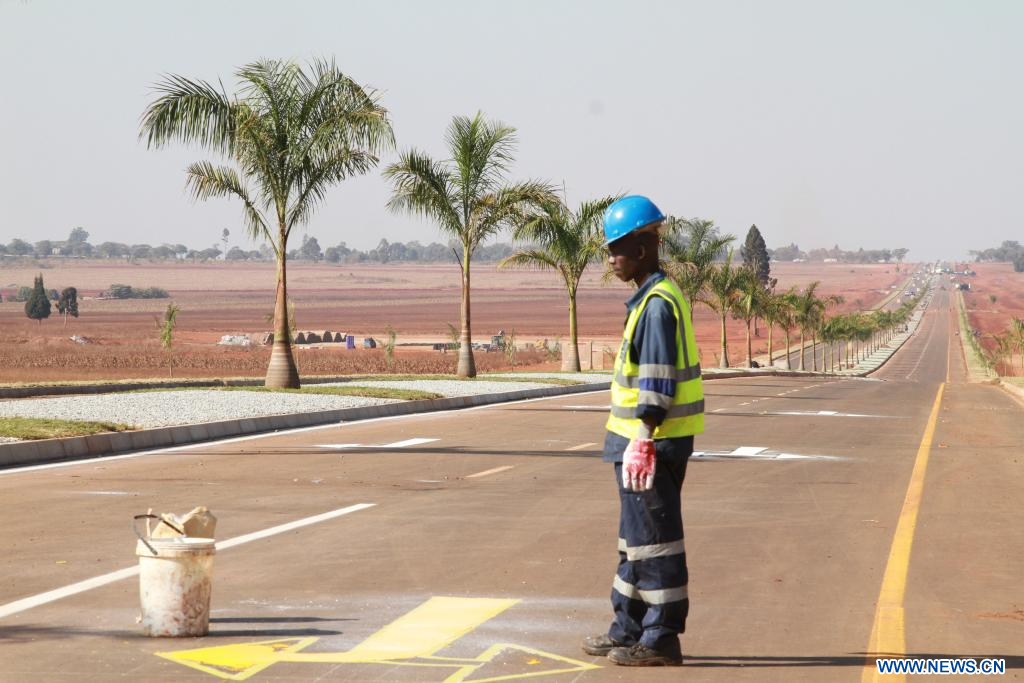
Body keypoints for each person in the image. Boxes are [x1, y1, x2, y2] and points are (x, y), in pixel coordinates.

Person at [581, 195, 704, 667]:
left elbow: (655, 378)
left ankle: (660, 638)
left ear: (643, 247)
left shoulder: (656, 305)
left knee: (655, 542)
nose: (611, 257)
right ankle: (627, 629)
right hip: (637, 442)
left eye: (617, 247)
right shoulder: (652, 299)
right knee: (634, 542)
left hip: (649, 443)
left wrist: (643, 438)